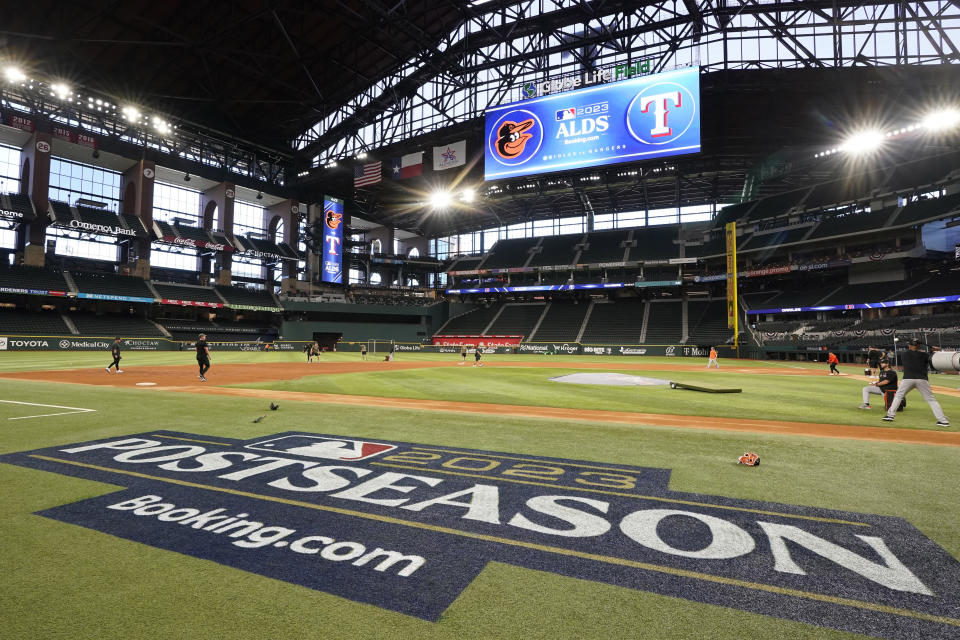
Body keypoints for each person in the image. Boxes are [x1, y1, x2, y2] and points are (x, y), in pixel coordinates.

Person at [883, 339, 949, 426]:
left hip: (907, 379)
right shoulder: (925, 355)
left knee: (899, 396)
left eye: (909, 345)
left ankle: (890, 415)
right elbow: (933, 358)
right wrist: (934, 350)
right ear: (919, 346)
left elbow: (916, 353)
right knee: (931, 400)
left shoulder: (904, 354)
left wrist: (931, 351)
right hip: (922, 379)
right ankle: (943, 420)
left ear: (910, 346)